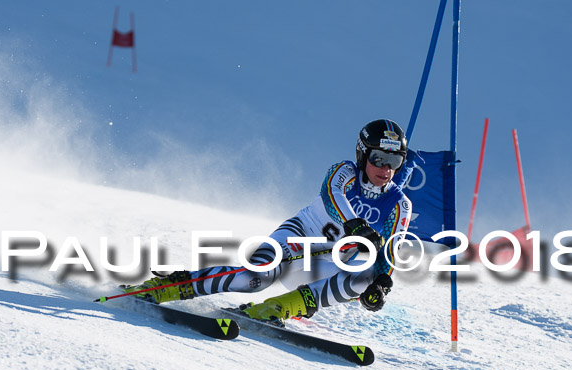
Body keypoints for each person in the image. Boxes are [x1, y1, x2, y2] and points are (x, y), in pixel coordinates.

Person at [123, 119, 413, 325]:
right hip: (298, 236)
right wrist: (355, 224)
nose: (386, 169)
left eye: (394, 160)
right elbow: (330, 195)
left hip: (326, 263)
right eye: (378, 157)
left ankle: (275, 309)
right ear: (363, 155)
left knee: (364, 278)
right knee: (254, 278)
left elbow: (390, 250)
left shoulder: (399, 205)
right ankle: (167, 287)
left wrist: (381, 284)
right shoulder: (344, 171)